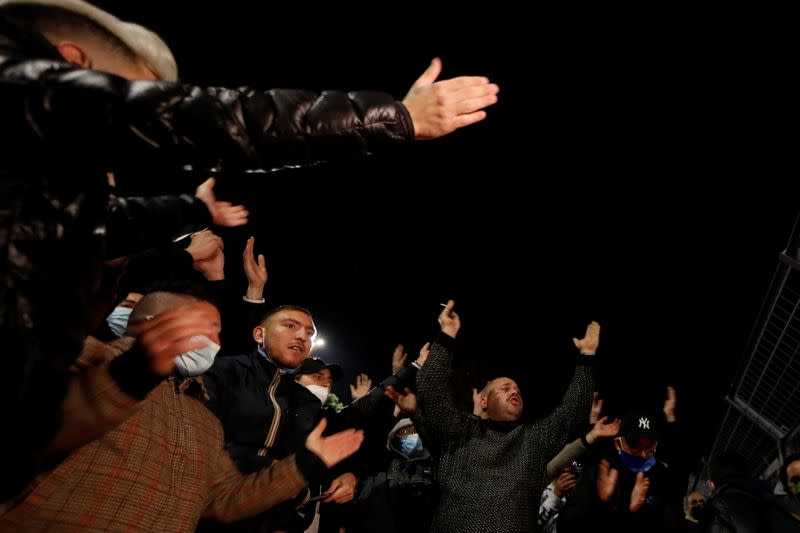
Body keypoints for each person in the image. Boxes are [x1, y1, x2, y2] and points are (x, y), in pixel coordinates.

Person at [0, 0, 499, 498]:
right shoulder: (20, 76)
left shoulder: (43, 179)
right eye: (134, 93)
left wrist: (184, 212)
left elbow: (95, 231)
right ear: (74, 64)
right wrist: (397, 117)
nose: (126, 151)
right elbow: (221, 121)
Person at [0, 291, 364, 531]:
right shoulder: (88, 359)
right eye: (194, 323)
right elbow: (34, 425)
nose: (208, 338)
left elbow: (222, 499)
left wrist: (308, 466)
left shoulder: (200, 417)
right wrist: (135, 371)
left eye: (215, 331)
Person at [415, 300, 597, 533]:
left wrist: (587, 357)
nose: (514, 391)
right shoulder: (459, 431)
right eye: (505, 388)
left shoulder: (533, 440)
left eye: (518, 391)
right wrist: (447, 335)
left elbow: (573, 412)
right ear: (483, 401)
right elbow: (429, 389)